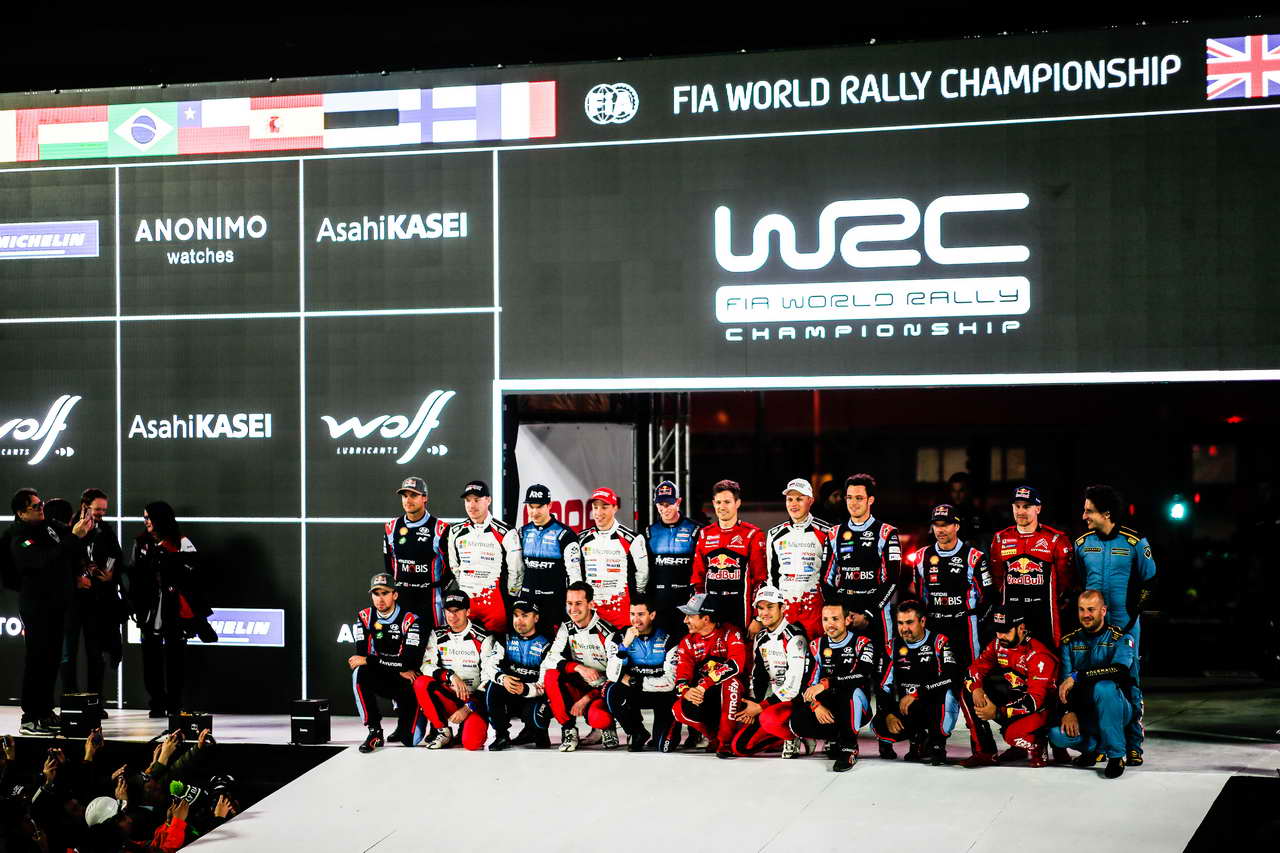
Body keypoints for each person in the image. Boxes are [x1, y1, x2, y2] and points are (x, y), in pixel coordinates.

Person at [906, 503, 997, 761]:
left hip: (965, 626)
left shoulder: (974, 556)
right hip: (934, 626)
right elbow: (920, 596)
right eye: (936, 524)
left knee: (970, 682)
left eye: (946, 524)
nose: (941, 529)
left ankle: (983, 747)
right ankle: (931, 742)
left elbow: (989, 597)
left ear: (957, 526)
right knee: (932, 681)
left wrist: (976, 621)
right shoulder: (921, 557)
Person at [1075, 484, 1156, 766]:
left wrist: (1132, 616)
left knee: (1129, 682)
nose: (1084, 516)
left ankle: (1133, 745)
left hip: (1125, 625)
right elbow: (1079, 582)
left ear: (1106, 513)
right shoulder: (1081, 544)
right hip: (1093, 628)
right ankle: (1100, 743)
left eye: (1089, 511)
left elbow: (1150, 581)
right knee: (1093, 683)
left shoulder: (1135, 542)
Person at [758, 602, 887, 771]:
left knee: (850, 692)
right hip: (827, 703)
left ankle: (849, 748)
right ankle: (835, 738)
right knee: (797, 723)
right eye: (826, 619)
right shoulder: (816, 645)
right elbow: (807, 685)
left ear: (847, 620)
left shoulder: (862, 643)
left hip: (856, 704)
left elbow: (862, 675)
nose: (830, 624)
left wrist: (826, 683)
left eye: (835, 619)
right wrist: (816, 705)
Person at [6, 488, 94, 734]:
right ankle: (30, 717)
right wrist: (73, 538)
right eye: (35, 506)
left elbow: (69, 542)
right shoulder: (20, 537)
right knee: (37, 661)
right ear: (21, 513)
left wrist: (82, 526)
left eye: (41, 503)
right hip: (37, 607)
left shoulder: (49, 527)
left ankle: (45, 711)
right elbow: (42, 560)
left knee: (52, 661)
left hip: (57, 604)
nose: (40, 508)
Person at [129, 501, 215, 719]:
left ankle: (174, 704)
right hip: (149, 609)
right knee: (150, 657)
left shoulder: (182, 542)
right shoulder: (140, 542)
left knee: (175, 658)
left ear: (161, 518)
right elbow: (134, 574)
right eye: (144, 517)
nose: (146, 521)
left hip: (175, 608)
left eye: (149, 517)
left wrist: (170, 563)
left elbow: (194, 575)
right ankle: (156, 703)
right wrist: (135, 604)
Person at [1049, 590, 1136, 779]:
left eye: (1091, 609)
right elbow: (1064, 684)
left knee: (1104, 687)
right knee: (1056, 735)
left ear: (1103, 611)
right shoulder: (1069, 642)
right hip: (1085, 711)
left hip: (1117, 708)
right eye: (1081, 609)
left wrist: (1079, 676)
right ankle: (1094, 749)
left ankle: (1116, 756)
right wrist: (1068, 711)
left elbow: (1120, 670)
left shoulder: (1121, 638)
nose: (1086, 615)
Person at [962, 604, 1060, 768]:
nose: (1000, 636)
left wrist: (997, 712)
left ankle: (1037, 744)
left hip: (1043, 709)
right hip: (1015, 697)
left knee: (1012, 736)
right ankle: (985, 752)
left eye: (1006, 631)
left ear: (1021, 628)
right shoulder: (998, 644)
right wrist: (976, 688)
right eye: (997, 631)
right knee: (967, 690)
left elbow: (1035, 701)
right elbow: (975, 668)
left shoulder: (1038, 654)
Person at [61, 488, 126, 713]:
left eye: (104, 510)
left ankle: (95, 703)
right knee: (68, 654)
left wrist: (108, 574)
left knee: (95, 653)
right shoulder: (68, 529)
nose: (101, 514)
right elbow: (58, 560)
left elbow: (116, 557)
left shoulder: (105, 530)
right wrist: (75, 579)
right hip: (71, 601)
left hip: (96, 601)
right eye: (97, 509)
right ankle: (70, 702)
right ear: (84, 507)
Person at [873, 600, 960, 766]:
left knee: (948, 694)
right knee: (878, 725)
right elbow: (883, 685)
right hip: (907, 707)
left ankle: (937, 744)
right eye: (900, 623)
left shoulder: (939, 641)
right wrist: (888, 714)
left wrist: (917, 693)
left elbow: (951, 677)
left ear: (922, 621)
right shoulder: (892, 646)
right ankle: (917, 739)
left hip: (935, 703)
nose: (904, 628)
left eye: (909, 622)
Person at [989, 485, 1076, 649]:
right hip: (1011, 615)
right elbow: (997, 579)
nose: (1020, 511)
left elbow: (1065, 582)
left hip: (1044, 614)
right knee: (1011, 658)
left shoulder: (1056, 539)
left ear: (1038, 508)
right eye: (1017, 506)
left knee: (1047, 655)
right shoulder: (1000, 539)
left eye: (1026, 506)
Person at [822, 473, 902, 649]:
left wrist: (868, 614)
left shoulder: (887, 533)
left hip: (876, 611)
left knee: (882, 662)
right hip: (845, 615)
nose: (853, 503)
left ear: (870, 500)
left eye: (859, 498)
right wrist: (840, 613)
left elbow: (893, 579)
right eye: (849, 497)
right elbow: (825, 579)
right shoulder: (834, 533)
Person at [729, 586, 811, 758]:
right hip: (771, 703)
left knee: (768, 718)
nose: (764, 612)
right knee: (740, 747)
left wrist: (760, 707)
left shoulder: (795, 637)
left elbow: (794, 687)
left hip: (796, 702)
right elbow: (758, 675)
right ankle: (786, 736)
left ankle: (794, 736)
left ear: (782, 608)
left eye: (770, 607)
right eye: (761, 608)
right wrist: (754, 704)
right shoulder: (761, 637)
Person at [348, 573, 425, 753]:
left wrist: (372, 661)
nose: (380, 599)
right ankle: (374, 730)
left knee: (410, 741)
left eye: (385, 593)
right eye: (376, 594)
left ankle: (406, 722)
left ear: (395, 595)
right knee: (359, 672)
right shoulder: (365, 616)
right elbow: (361, 657)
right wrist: (391, 665)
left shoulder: (410, 620)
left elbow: (407, 662)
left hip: (406, 682)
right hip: (388, 675)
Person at [412, 590, 494, 750]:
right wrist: (450, 675)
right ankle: (443, 731)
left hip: (475, 701)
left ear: (468, 612)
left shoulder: (484, 638)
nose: (452, 616)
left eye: (457, 611)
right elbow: (426, 665)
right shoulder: (437, 634)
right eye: (448, 611)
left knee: (471, 744)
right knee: (421, 682)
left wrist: (468, 707)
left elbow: (489, 679)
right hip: (449, 695)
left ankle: (465, 728)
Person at [540, 581, 618, 751]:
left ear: (590, 604)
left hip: (603, 689)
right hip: (580, 683)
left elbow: (615, 676)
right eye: (569, 603)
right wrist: (578, 668)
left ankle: (606, 726)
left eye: (578, 603)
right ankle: (569, 730)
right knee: (551, 674)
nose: (573, 609)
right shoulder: (566, 627)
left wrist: (588, 698)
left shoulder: (608, 632)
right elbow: (551, 659)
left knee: (599, 717)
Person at [670, 592, 748, 759]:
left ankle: (725, 742)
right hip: (704, 695)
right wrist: (686, 691)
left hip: (734, 696)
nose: (685, 620)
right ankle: (714, 738)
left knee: (731, 683)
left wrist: (704, 685)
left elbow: (736, 665)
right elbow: (681, 678)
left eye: (690, 616)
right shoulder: (687, 642)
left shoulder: (731, 632)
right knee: (677, 709)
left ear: (706, 618)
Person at [472, 599, 553, 751]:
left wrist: (525, 689)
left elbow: (546, 685)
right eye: (516, 616)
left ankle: (537, 731)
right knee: (491, 687)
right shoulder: (506, 639)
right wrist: (502, 678)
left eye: (524, 615)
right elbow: (490, 665)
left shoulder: (547, 644)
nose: (519, 620)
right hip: (511, 690)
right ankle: (501, 735)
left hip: (535, 694)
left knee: (537, 722)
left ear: (536, 618)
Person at [604, 595, 680, 752]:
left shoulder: (669, 639)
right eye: (632, 614)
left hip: (663, 697)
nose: (635, 620)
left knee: (664, 747)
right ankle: (637, 732)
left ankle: (661, 735)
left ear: (652, 615)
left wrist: (635, 681)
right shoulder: (618, 638)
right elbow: (612, 674)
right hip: (636, 695)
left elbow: (670, 682)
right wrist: (625, 645)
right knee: (611, 690)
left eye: (641, 614)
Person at [689, 479, 766, 632]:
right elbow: (697, 580)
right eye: (718, 502)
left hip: (741, 610)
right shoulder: (705, 534)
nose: (722, 507)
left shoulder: (752, 534)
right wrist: (698, 613)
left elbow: (760, 581)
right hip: (711, 611)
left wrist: (757, 618)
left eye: (727, 502)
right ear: (713, 503)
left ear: (737, 503)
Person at [446, 480, 522, 633]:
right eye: (468, 500)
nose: (471, 505)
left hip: (496, 604)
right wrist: (465, 585)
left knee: (497, 645)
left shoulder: (506, 532)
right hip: (467, 603)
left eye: (477, 500)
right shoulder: (455, 531)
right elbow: (454, 566)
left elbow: (517, 570)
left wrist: (511, 598)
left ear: (488, 500)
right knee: (467, 644)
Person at [766, 477, 834, 640]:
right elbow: (772, 577)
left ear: (810, 501)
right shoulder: (774, 534)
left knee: (816, 652)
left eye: (799, 499)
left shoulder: (827, 532)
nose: (793, 504)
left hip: (816, 609)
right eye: (790, 499)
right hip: (786, 610)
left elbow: (833, 575)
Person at [382, 476, 452, 630]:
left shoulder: (440, 528)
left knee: (435, 641)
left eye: (413, 495)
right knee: (402, 641)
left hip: (430, 599)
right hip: (402, 598)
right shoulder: (391, 527)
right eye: (405, 496)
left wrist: (436, 589)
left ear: (425, 497)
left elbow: (450, 569)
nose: (408, 500)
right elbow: (389, 565)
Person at [578, 486, 649, 628]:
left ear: (615, 508)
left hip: (621, 611)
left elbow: (642, 575)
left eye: (604, 507)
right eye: (595, 507)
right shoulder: (581, 538)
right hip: (592, 611)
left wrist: (633, 598)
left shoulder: (632, 539)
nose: (599, 512)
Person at [517, 484, 583, 636]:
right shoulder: (522, 532)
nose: (534, 512)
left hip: (554, 604)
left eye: (539, 507)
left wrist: (574, 603)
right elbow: (517, 569)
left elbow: (575, 575)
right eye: (531, 507)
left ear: (549, 505)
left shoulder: (566, 534)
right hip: (527, 603)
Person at [644, 480, 699, 638]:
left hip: (687, 605)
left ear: (678, 502)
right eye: (660, 504)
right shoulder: (649, 532)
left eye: (668, 504)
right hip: (659, 604)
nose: (664, 508)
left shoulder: (695, 530)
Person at [947, 472, 989, 549]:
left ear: (968, 491)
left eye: (961, 491)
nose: (957, 495)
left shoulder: (977, 512)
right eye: (954, 491)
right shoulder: (946, 512)